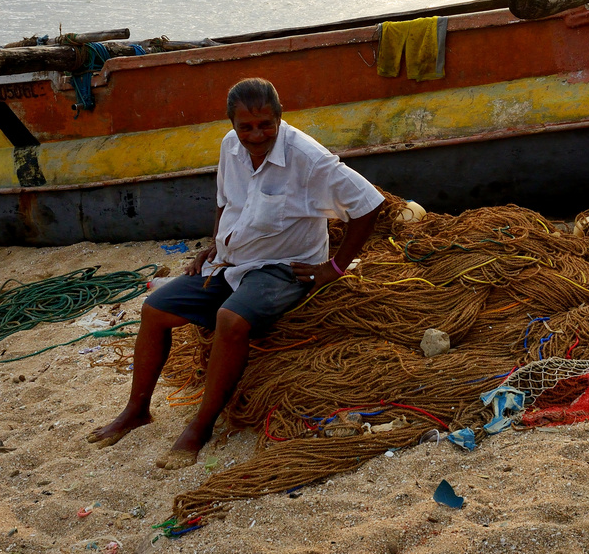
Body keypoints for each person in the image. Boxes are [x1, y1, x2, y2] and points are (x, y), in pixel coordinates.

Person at [87, 77, 385, 467]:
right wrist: (214, 246)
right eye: (245, 126)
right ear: (232, 124)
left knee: (230, 319)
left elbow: (369, 203)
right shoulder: (231, 148)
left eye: (265, 125)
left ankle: (201, 426)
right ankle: (137, 410)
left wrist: (332, 267)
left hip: (283, 267)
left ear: (279, 118)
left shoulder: (307, 158)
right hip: (231, 263)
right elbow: (226, 201)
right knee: (154, 309)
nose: (256, 134)